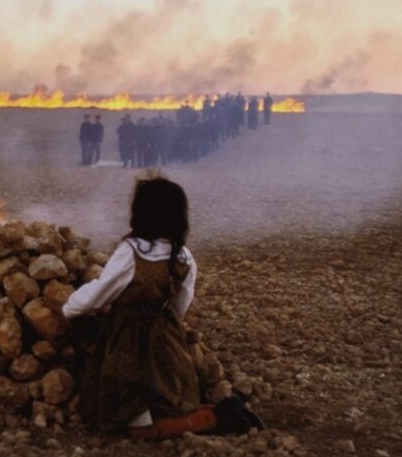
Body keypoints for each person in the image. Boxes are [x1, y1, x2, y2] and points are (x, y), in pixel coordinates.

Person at [63, 176, 262, 437]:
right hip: (169, 346)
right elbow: (180, 305)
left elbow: (100, 293)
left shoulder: (131, 251)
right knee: (169, 401)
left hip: (127, 347)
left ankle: (215, 418)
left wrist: (68, 308)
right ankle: (217, 411)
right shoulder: (184, 256)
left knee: (125, 420)